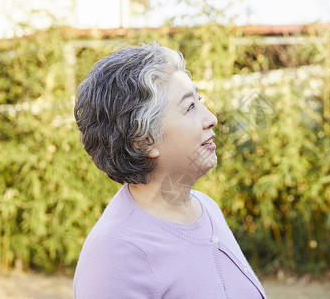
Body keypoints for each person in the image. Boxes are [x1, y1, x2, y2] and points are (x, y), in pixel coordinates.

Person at [73, 42, 266, 298]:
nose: (211, 119)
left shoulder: (206, 208)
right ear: (143, 140)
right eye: (190, 107)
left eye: (200, 101)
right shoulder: (115, 253)